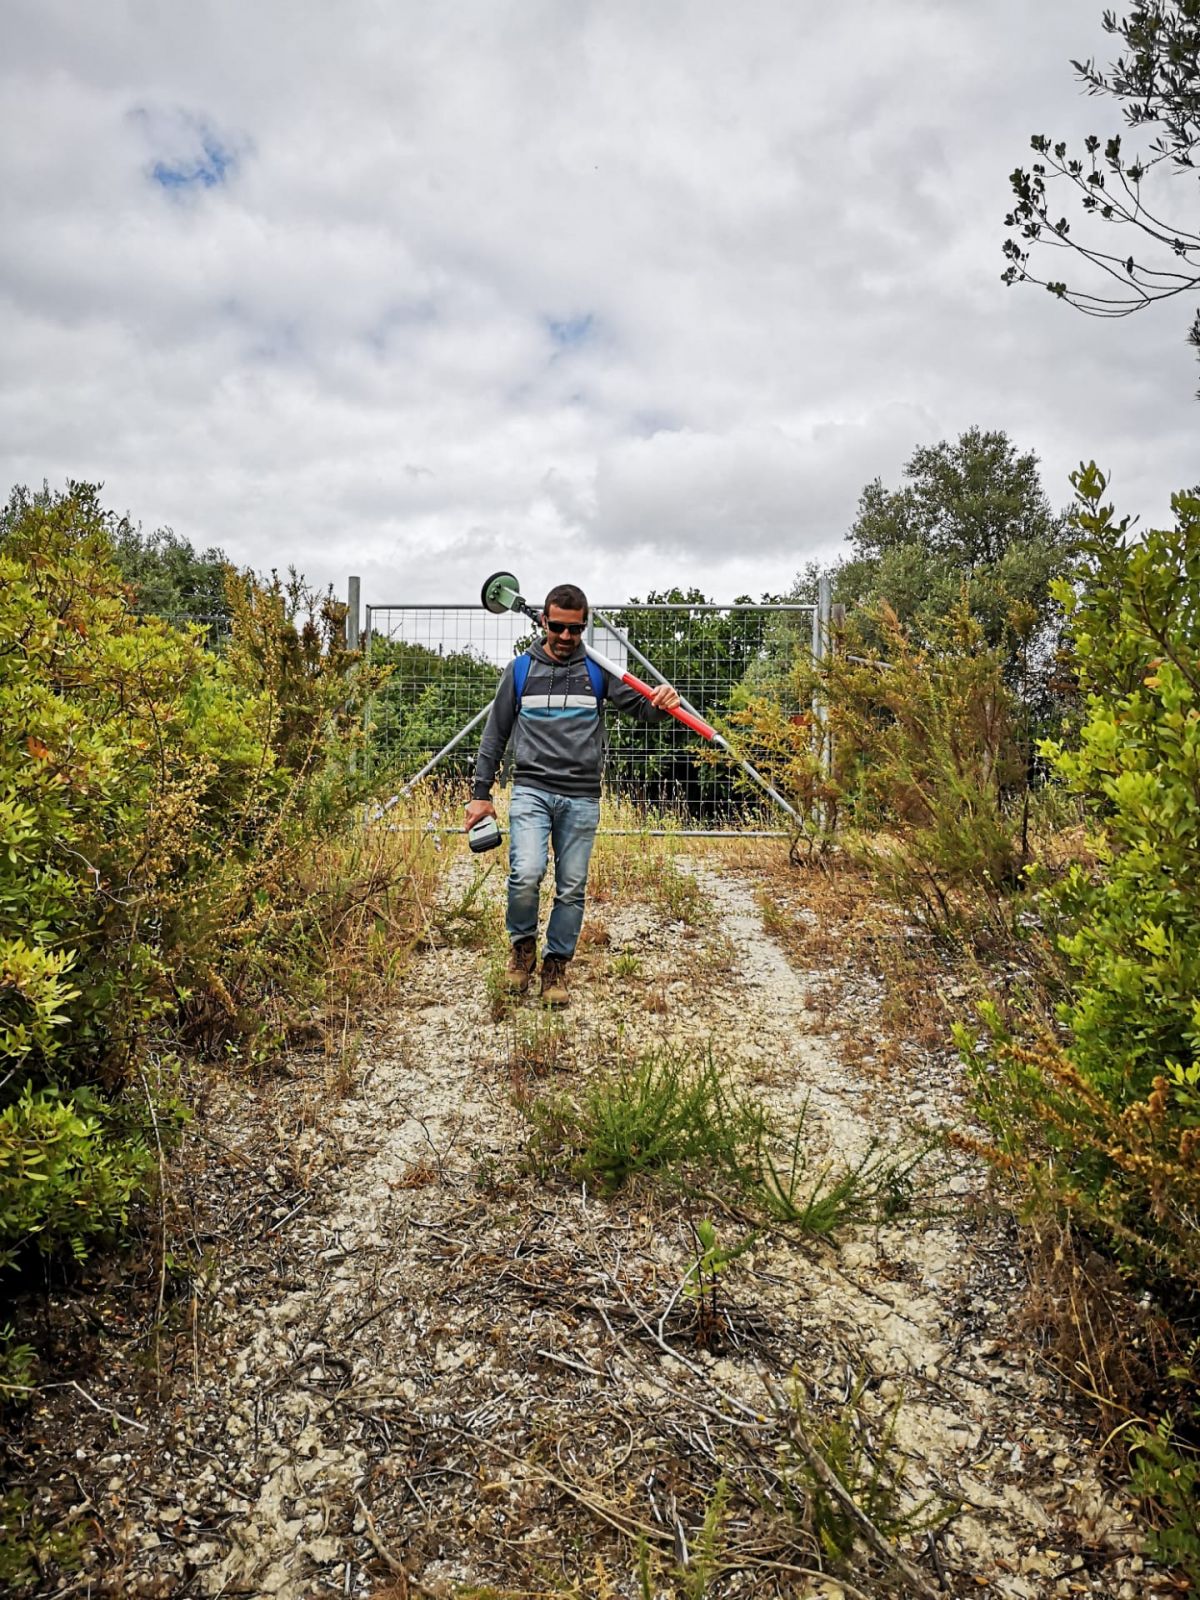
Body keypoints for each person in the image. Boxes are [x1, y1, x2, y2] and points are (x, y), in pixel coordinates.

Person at [464, 583, 681, 1007]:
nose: (566, 638)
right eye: (559, 628)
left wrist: (661, 701)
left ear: (584, 626)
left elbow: (643, 711)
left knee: (572, 886)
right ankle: (522, 950)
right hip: (531, 788)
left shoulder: (599, 671)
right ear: (544, 622)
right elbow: (495, 736)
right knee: (526, 873)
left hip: (581, 796)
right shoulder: (521, 671)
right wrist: (480, 792)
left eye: (576, 629)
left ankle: (555, 966)